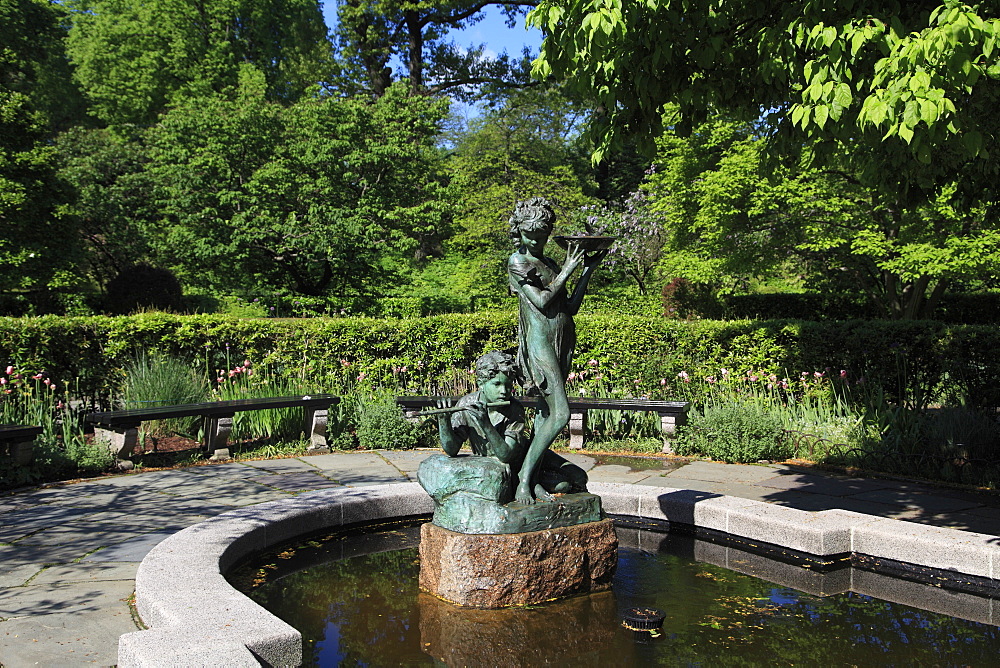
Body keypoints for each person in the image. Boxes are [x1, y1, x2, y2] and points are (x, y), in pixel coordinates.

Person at [506, 198, 605, 504]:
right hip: (539, 345)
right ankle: (523, 479)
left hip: (561, 341)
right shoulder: (517, 262)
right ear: (519, 234)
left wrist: (586, 271)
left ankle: (533, 479)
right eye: (529, 236)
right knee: (560, 413)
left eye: (542, 236)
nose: (536, 242)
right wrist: (567, 270)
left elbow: (569, 307)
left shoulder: (548, 264)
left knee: (545, 415)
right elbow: (542, 301)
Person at [436, 350, 586, 503]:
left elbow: (506, 454)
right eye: (496, 384)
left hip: (528, 455)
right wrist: (444, 422)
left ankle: (532, 479)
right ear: (481, 384)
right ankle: (531, 482)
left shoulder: (514, 408)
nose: (503, 391)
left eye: (508, 385)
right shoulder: (466, 404)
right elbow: (451, 450)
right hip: (511, 469)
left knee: (580, 476)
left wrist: (485, 424)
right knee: (563, 485)